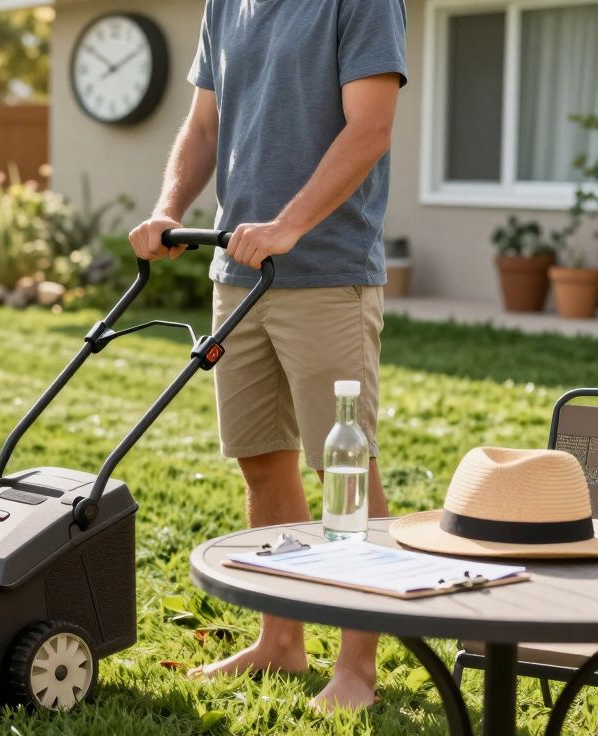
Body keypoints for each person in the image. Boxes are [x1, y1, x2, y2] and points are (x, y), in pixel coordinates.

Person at [128, 0, 407, 710]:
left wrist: (289, 226)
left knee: (342, 467)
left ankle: (357, 670)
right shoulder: (228, 3)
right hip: (237, 273)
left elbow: (370, 128)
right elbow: (202, 125)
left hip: (327, 271)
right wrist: (169, 208)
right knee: (261, 460)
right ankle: (280, 642)